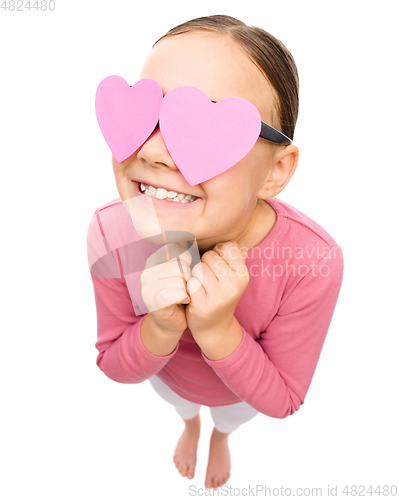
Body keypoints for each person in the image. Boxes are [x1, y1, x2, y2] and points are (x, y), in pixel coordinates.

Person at [87, 15, 344, 490]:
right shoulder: (111, 229)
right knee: (182, 404)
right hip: (168, 380)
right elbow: (112, 362)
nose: (156, 153)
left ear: (275, 171)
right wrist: (160, 326)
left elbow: (283, 399)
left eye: (198, 126)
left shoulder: (313, 261)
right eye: (143, 117)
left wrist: (218, 331)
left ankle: (219, 436)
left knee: (229, 418)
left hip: (238, 396)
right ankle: (189, 425)